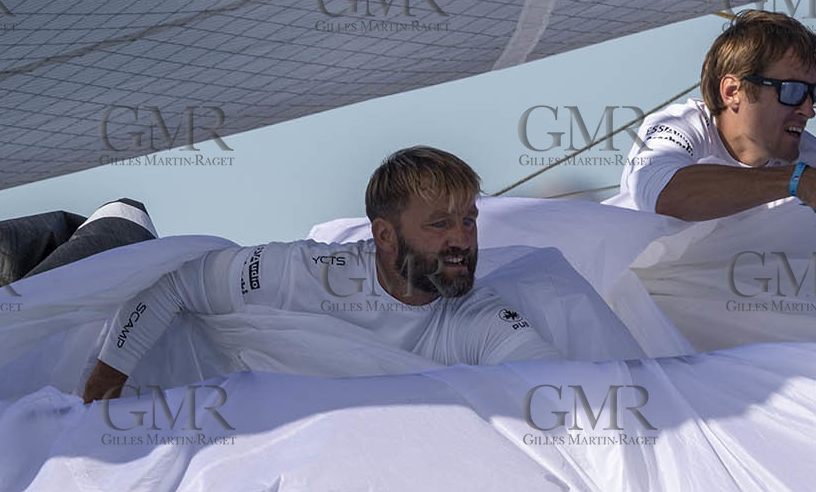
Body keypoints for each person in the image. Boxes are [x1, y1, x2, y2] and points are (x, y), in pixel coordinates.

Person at [82, 147, 560, 402]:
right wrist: (102, 389)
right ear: (385, 234)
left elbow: (553, 383)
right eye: (440, 224)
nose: (462, 239)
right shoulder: (309, 273)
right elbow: (177, 282)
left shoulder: (477, 316)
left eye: (468, 221)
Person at [608, 10, 816, 227]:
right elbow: (664, 196)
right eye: (792, 91)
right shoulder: (677, 128)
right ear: (733, 91)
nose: (808, 110)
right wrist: (794, 180)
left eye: (813, 93)